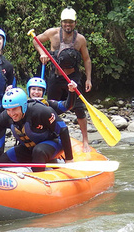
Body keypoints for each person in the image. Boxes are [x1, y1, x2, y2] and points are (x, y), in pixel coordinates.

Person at [31, 7, 93, 152]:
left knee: (78, 109)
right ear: (61, 22)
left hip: (73, 77)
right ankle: (50, 136)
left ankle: (85, 140)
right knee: (50, 108)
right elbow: (36, 41)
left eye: (70, 22)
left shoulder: (80, 39)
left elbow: (87, 60)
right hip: (55, 76)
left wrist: (88, 79)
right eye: (65, 22)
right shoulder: (52, 33)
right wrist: (42, 53)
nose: (68, 25)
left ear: (75, 23)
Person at [0, 88, 73, 172]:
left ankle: (44, 171)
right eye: (8, 110)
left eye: (14, 109)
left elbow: (63, 130)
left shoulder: (40, 111)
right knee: (3, 159)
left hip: (52, 143)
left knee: (39, 151)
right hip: (29, 148)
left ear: (23, 106)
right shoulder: (6, 116)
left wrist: (69, 159)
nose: (11, 114)